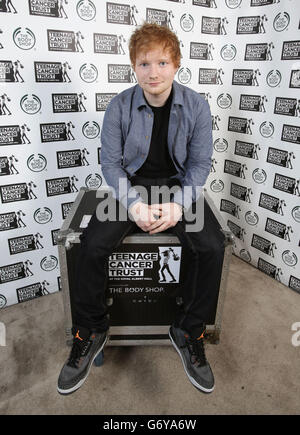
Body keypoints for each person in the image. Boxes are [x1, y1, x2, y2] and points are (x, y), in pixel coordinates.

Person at [57, 23, 225, 395]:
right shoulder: (119, 105)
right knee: (91, 245)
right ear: (133, 66)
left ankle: (188, 329)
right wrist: (133, 205)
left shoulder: (197, 105)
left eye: (162, 62)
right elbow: (111, 166)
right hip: (128, 189)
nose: (154, 72)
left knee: (212, 247)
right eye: (144, 63)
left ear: (176, 64)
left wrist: (179, 205)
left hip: (177, 188)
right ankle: (91, 329)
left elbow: (199, 166)